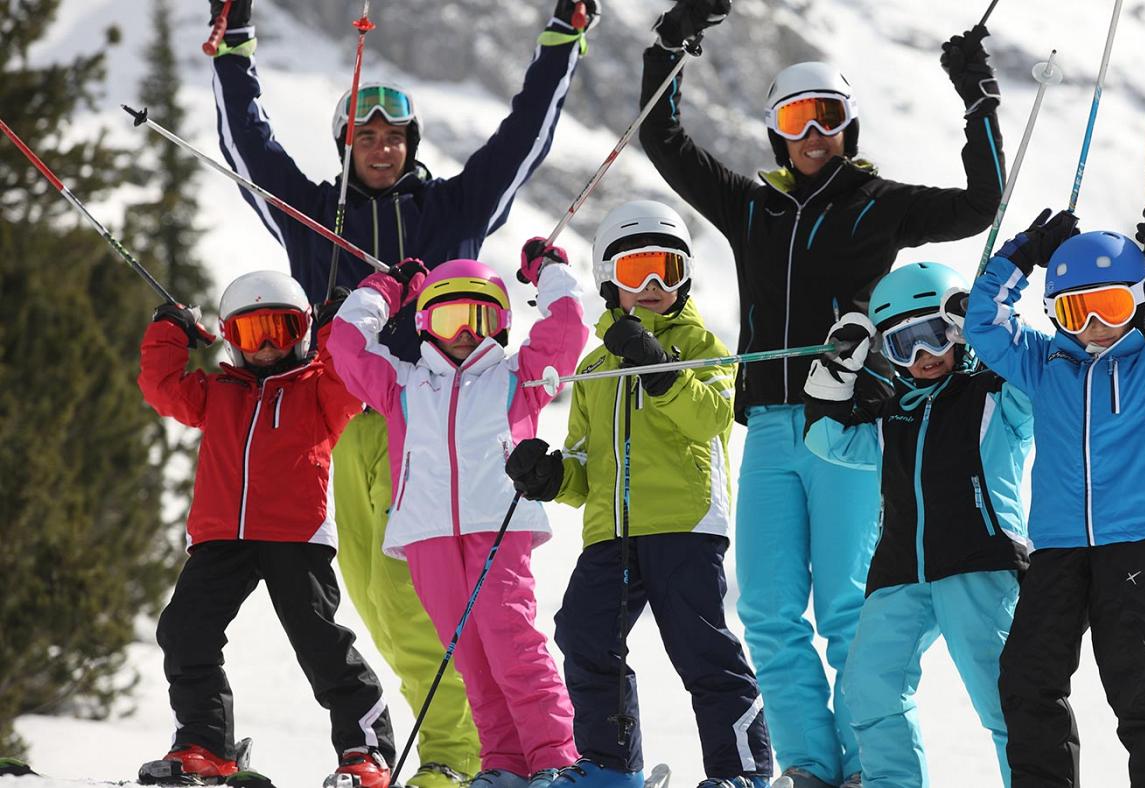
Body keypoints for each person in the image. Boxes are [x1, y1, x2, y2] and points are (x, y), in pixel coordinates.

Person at [209, 2, 598, 782]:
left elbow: (523, 138)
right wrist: (232, 54)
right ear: (347, 145)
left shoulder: (453, 208)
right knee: (374, 593)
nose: (382, 148)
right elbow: (250, 148)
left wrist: (560, 44)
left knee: (418, 594)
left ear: (411, 144)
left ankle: (456, 756)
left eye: (394, 136)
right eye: (365, 136)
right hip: (339, 416)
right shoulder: (313, 214)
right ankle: (478, 754)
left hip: (427, 417)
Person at [638, 3, 1006, 785]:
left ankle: (873, 769)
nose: (813, 135)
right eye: (797, 119)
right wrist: (671, 45)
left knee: (847, 614)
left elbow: (981, 206)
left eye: (829, 118)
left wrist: (979, 101)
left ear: (849, 127)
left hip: (850, 427)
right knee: (769, 615)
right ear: (777, 130)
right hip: (769, 431)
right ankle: (809, 766)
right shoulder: (754, 209)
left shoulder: (881, 204)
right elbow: (663, 142)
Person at [504, 201, 773, 788]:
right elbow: (584, 461)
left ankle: (742, 772)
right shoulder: (597, 364)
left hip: (684, 525)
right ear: (608, 281)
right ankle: (608, 766)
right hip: (611, 532)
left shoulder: (704, 345)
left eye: (667, 270)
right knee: (583, 631)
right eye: (635, 272)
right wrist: (551, 476)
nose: (652, 286)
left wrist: (660, 370)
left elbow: (712, 420)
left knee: (701, 647)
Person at [963, 205, 1145, 787]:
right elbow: (982, 322)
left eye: (1109, 306)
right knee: (1027, 674)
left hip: (1137, 537)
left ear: (1140, 300)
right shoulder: (1046, 363)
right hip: (1060, 544)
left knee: (1131, 672)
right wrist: (1023, 254)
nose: (1093, 327)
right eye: (1073, 310)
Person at [327, 243, 589, 788]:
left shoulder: (518, 377)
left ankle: (555, 760)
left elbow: (568, 326)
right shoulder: (401, 384)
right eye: (450, 318)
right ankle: (504, 765)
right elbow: (346, 345)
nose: (466, 332)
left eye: (481, 317)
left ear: (501, 324)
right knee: (467, 657)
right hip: (425, 532)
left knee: (511, 642)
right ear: (425, 325)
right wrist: (386, 290)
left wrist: (547, 271)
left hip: (498, 523)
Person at [136, 272, 395, 788]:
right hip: (221, 538)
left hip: (295, 536)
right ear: (232, 338)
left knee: (321, 644)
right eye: (255, 334)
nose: (270, 345)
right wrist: (170, 332)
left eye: (282, 327)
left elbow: (349, 371)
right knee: (184, 632)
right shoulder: (217, 393)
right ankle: (204, 745)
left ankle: (366, 753)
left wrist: (334, 327)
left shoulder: (321, 388)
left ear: (301, 329)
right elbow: (163, 389)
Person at [802, 263, 1032, 788]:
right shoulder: (891, 419)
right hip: (901, 571)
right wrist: (838, 368)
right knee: (870, 687)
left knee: (1007, 696)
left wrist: (986, 321)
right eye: (903, 344)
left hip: (981, 562)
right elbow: (825, 439)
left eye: (935, 334)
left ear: (958, 330)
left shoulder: (997, 397)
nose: (923, 356)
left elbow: (1038, 375)